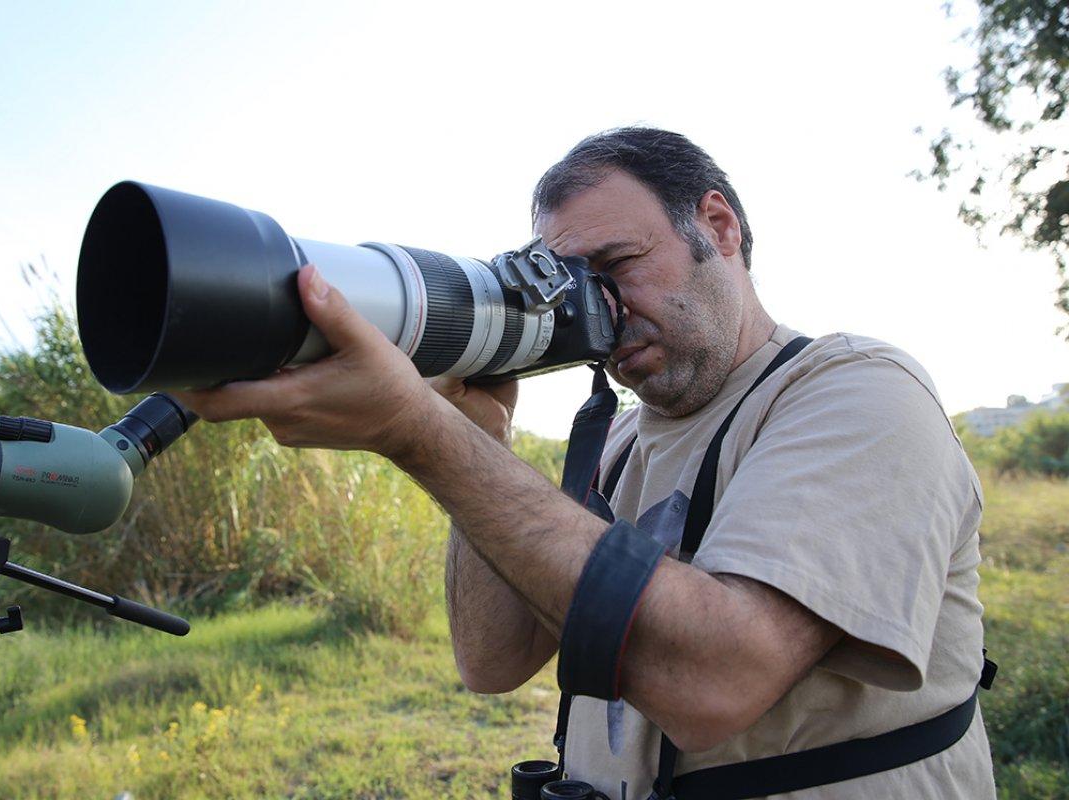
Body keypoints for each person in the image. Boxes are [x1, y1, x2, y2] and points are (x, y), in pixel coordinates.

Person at [177, 127, 995, 798]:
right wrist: (477, 437)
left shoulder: (856, 393)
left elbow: (715, 682)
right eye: (574, 284)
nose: (598, 310)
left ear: (718, 227)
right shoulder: (615, 441)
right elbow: (492, 661)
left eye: (616, 267)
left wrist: (420, 435)